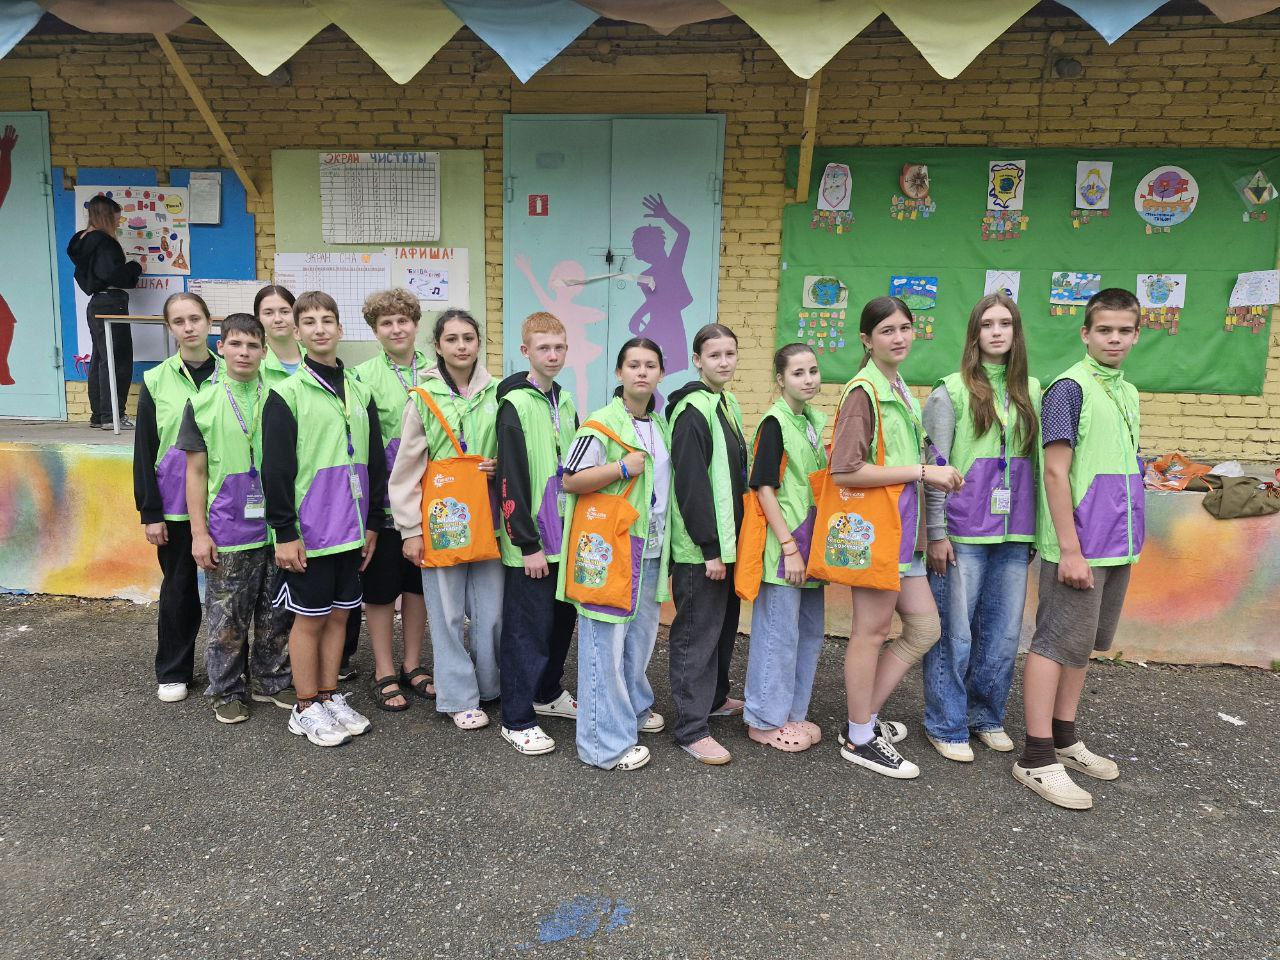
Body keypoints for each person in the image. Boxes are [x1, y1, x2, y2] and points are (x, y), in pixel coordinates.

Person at [1013, 288, 1144, 810]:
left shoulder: (1127, 391)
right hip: (1078, 546)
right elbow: (1055, 472)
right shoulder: (1068, 389)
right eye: (1104, 330)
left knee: (1081, 645)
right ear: (1085, 333)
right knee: (1053, 643)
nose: (1114, 339)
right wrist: (1070, 549)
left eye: (1124, 331)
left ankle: (1064, 738)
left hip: (1116, 545)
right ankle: (1036, 756)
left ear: (1136, 335)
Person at [829, 296, 963, 779]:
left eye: (905, 327)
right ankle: (859, 737)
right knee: (871, 632)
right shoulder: (863, 392)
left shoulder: (897, 386)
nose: (899, 337)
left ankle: (862, 720)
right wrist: (922, 472)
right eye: (887, 330)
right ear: (866, 340)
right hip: (879, 534)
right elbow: (845, 470)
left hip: (902, 534)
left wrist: (930, 470)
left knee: (924, 629)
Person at [262, 291, 386, 747]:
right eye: (309, 322)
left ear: (340, 328)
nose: (319, 329)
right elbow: (275, 469)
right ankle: (305, 705)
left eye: (327, 320)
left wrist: (372, 522)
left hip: (352, 530)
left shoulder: (360, 389)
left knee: (339, 616)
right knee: (309, 620)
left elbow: (375, 462)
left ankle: (330, 695)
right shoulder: (286, 393)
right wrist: (285, 532)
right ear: (296, 332)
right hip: (310, 532)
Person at [923, 293, 1041, 762]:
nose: (996, 331)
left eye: (1005, 323)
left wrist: (1036, 531)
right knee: (955, 634)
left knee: (1003, 635)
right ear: (974, 333)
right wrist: (936, 532)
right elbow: (934, 464)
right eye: (987, 324)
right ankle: (946, 723)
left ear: (1016, 332)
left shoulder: (1032, 390)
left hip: (1015, 532)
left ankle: (985, 716)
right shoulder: (949, 390)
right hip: (963, 531)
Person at [559, 337, 671, 771]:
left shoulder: (658, 424)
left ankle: (632, 711)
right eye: (633, 365)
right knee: (603, 645)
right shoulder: (600, 424)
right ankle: (602, 744)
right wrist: (622, 467)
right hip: (610, 550)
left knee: (638, 641)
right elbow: (570, 479)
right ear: (619, 373)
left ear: (661, 373)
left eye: (650, 365)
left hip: (650, 547)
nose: (642, 372)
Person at [179, 312, 295, 724]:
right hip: (228, 529)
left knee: (276, 612)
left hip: (277, 527)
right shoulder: (202, 403)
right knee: (227, 618)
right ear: (221, 348)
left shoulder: (282, 396)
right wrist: (198, 533)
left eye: (252, 345)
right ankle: (226, 689)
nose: (244, 353)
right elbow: (195, 473)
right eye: (235, 344)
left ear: (264, 351)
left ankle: (271, 680)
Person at [391, 308, 501, 730]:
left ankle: (489, 686)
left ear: (479, 343)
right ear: (437, 346)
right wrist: (410, 530)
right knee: (446, 613)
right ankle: (458, 695)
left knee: (491, 612)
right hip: (441, 521)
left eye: (468, 338)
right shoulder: (422, 397)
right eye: (451, 339)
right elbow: (406, 470)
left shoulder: (500, 393)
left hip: (489, 518)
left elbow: (516, 450)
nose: (461, 346)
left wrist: (500, 466)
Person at [495, 311, 579, 755]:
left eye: (559, 347)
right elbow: (509, 475)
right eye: (543, 347)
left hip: (565, 537)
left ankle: (547, 693)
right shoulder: (515, 404)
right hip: (531, 543)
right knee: (526, 630)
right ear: (525, 351)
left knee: (560, 623)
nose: (552, 355)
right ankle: (516, 717)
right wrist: (527, 543)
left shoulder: (565, 401)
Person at [740, 344, 828, 753]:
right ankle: (763, 720)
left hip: (810, 547)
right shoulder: (775, 423)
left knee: (807, 634)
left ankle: (792, 713)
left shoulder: (808, 421)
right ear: (780, 379)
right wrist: (789, 547)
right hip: (786, 549)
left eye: (813, 371)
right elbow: (764, 489)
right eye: (797, 373)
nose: (808, 379)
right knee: (777, 636)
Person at [666, 323, 747, 765]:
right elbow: (691, 485)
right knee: (696, 635)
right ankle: (691, 728)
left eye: (729, 353)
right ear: (697, 360)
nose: (723, 362)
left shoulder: (725, 403)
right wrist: (710, 548)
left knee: (721, 629)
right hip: (702, 551)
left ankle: (714, 699)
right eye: (714, 355)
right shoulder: (692, 410)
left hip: (727, 545)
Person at [133, 292, 220, 702]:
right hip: (174, 507)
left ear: (209, 322)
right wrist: (150, 512)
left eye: (195, 318)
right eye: (179, 321)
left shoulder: (233, 371)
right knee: (179, 588)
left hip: (226, 502)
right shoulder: (156, 380)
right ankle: (173, 670)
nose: (189, 327)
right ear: (170, 328)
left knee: (233, 593)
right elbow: (145, 449)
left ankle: (232, 670)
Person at [353, 288, 434, 711]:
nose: (396, 329)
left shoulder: (437, 372)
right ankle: (384, 669)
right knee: (382, 589)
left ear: (416, 324)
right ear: (375, 330)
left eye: (403, 320)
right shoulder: (362, 378)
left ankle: (413, 663)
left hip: (431, 500)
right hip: (384, 502)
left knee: (418, 585)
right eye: (386, 323)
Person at [68, 194, 141, 427]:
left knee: (101, 359)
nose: (119, 223)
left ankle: (99, 415)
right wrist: (135, 267)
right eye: (116, 219)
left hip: (96, 302)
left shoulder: (82, 241)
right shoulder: (105, 243)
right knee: (117, 359)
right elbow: (113, 275)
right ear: (107, 217)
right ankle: (113, 416)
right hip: (112, 303)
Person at [255, 284, 303, 388]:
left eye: (285, 312)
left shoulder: (314, 358)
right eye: (268, 313)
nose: (278, 319)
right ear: (258, 319)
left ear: (296, 315)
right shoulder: (253, 364)